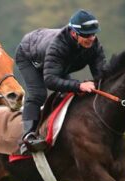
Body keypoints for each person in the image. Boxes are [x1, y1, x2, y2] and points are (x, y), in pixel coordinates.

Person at [15, 9, 106, 154]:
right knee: (38, 94)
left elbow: (102, 76)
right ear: (74, 33)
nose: (91, 38)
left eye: (93, 34)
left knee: (68, 94)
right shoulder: (58, 46)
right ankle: (28, 137)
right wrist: (79, 85)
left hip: (55, 62)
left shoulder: (94, 45)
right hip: (29, 56)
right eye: (86, 35)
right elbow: (50, 80)